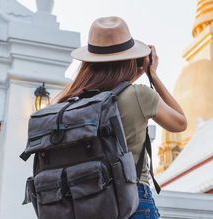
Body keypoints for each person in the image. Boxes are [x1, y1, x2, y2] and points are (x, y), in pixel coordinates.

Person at [56, 16, 187, 219]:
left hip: (85, 204)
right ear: (130, 58)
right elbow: (180, 122)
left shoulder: (70, 102)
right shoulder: (139, 95)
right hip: (132, 199)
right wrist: (152, 75)